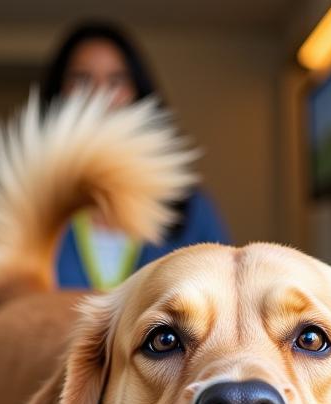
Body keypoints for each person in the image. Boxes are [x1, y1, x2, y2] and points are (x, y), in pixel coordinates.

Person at [40, 22, 230, 289]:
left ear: (138, 94)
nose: (99, 94)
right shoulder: (33, 204)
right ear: (58, 93)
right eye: (82, 79)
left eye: (116, 80)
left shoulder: (190, 206)